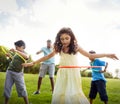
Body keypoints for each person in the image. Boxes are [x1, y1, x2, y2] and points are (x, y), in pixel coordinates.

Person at [22, 27, 118, 104]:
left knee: (73, 94)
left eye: (67, 38)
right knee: (61, 93)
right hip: (63, 73)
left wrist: (106, 54)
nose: (64, 41)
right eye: (62, 39)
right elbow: (47, 57)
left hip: (73, 73)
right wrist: (33, 63)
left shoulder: (76, 47)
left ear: (71, 37)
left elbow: (90, 55)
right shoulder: (59, 47)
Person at [3, 40, 29, 104]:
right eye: (15, 47)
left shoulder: (25, 53)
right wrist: (9, 57)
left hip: (18, 74)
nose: (15, 48)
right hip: (10, 71)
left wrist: (16, 51)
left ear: (22, 47)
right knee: (7, 88)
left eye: (17, 47)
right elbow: (14, 61)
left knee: (22, 88)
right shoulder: (16, 53)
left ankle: (27, 103)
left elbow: (26, 57)